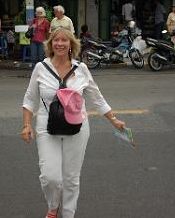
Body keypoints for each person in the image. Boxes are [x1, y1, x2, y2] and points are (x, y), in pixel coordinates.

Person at [21, 27, 126, 218]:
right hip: (47, 126)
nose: (60, 43)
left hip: (77, 127)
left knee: (71, 178)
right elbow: (29, 100)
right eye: (56, 40)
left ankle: (68, 214)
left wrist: (114, 120)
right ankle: (53, 206)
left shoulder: (81, 69)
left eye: (64, 40)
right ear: (51, 44)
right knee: (50, 177)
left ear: (71, 45)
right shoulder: (40, 68)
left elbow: (97, 99)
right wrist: (27, 124)